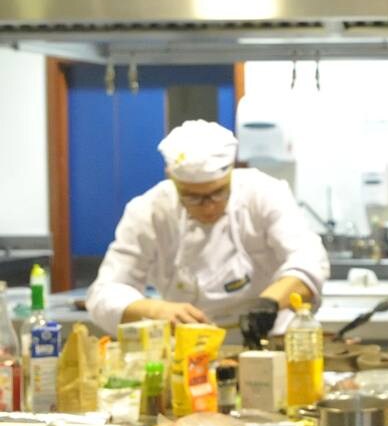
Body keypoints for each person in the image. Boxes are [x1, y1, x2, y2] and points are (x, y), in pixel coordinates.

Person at [86, 119, 328, 343]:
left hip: (274, 339)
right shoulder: (149, 211)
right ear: (171, 179)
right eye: (193, 197)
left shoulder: (264, 193)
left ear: (231, 173)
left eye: (219, 192)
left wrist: (270, 303)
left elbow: (309, 260)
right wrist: (156, 310)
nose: (209, 206)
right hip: (190, 348)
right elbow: (104, 293)